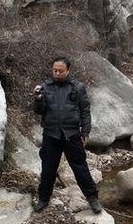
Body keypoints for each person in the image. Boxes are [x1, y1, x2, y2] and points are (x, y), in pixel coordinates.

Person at [32, 56, 102, 214]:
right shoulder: (45, 87)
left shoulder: (77, 87)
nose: (57, 73)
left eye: (60, 71)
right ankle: (43, 198)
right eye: (55, 70)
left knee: (80, 168)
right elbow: (38, 111)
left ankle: (92, 198)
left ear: (67, 70)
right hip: (51, 134)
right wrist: (37, 98)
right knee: (48, 169)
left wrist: (85, 131)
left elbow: (85, 110)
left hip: (71, 134)